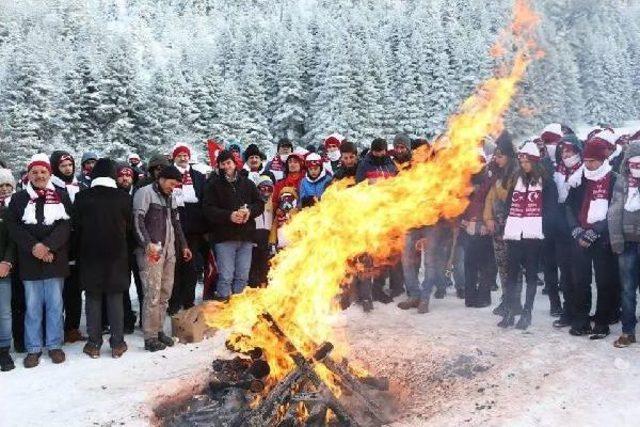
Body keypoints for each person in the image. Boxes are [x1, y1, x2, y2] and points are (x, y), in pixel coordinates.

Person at [5, 154, 72, 368]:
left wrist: (48, 247)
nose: (39, 175)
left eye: (43, 172)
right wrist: (35, 247)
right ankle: (33, 348)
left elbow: (66, 226)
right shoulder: (18, 199)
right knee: (32, 307)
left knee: (55, 305)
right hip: (30, 260)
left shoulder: (61, 195)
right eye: (35, 172)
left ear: (49, 173)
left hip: (55, 258)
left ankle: (54, 345)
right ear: (28, 175)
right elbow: (14, 228)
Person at [498, 141, 559, 330]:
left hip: (533, 236)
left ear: (534, 162)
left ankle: (527, 312)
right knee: (511, 274)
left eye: (526, 162)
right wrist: (507, 221)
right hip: (516, 234)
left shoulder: (546, 182)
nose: (523, 165)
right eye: (521, 162)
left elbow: (551, 209)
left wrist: (542, 229)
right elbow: (509, 204)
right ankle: (509, 310)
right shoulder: (516, 180)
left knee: (531, 275)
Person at [74, 159, 131, 359]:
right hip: (117, 255)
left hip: (89, 255)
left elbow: (76, 228)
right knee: (115, 299)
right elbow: (130, 228)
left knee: (93, 298)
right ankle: (117, 343)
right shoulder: (123, 198)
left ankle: (94, 343)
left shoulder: (82, 197)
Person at [133, 166, 192, 352]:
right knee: (152, 293)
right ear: (162, 178)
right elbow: (137, 221)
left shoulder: (171, 197)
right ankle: (150, 336)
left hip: (169, 250)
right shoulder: (145, 193)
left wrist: (183, 245)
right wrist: (147, 244)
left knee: (165, 292)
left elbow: (176, 222)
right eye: (172, 183)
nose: (173, 187)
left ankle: (158, 330)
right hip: (152, 250)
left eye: (176, 185)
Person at [565, 138, 619, 339]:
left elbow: (615, 210)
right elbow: (569, 206)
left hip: (603, 239)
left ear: (603, 160)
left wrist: (596, 231)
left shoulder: (613, 179)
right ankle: (581, 319)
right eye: (587, 161)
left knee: (605, 281)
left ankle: (602, 321)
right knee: (580, 280)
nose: (589, 165)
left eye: (593, 161)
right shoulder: (579, 179)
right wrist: (576, 230)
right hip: (580, 237)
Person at [202, 150, 264, 301]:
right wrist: (229, 216)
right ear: (219, 166)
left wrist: (249, 211)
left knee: (242, 275)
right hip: (224, 237)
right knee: (226, 276)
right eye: (222, 164)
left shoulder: (247, 183)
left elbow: (259, 204)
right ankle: (224, 306)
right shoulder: (213, 185)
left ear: (235, 164)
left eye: (228, 163)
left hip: (246, 236)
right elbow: (208, 209)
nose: (226, 166)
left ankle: (238, 308)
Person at [49, 150, 85, 343]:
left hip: (77, 246)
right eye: (63, 166)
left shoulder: (78, 186)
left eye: (70, 165)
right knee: (57, 292)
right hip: (59, 246)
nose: (68, 169)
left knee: (74, 289)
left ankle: (72, 327)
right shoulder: (51, 188)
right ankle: (55, 328)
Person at [550, 135, 583, 325]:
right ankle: (567, 311)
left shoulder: (585, 173)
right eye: (563, 151)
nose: (566, 154)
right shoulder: (558, 173)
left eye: (570, 150)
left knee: (578, 274)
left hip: (578, 228)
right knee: (565, 274)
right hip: (560, 229)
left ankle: (580, 313)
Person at [609, 141, 640, 347]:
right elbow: (614, 212)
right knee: (628, 290)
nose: (636, 168)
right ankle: (628, 331)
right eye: (633, 164)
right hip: (628, 244)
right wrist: (617, 240)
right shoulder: (622, 182)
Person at [169, 143, 207, 315]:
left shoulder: (198, 176)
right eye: (180, 156)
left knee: (190, 267)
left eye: (185, 155)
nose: (183, 158)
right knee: (174, 267)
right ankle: (174, 302)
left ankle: (188, 300)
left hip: (193, 229)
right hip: (173, 227)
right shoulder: (170, 175)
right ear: (174, 158)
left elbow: (204, 199)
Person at [483, 132, 518, 316]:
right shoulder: (497, 172)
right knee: (502, 266)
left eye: (500, 156)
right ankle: (507, 298)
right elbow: (490, 197)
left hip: (511, 226)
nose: (496, 159)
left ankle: (514, 301)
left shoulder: (516, 174)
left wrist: (499, 188)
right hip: (497, 226)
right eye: (495, 156)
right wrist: (488, 218)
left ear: (509, 157)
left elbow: (507, 197)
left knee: (512, 267)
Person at [460, 151, 494, 308]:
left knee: (486, 265)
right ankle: (470, 297)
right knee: (469, 264)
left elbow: (491, 204)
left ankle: (484, 297)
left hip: (483, 227)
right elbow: (458, 203)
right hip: (468, 227)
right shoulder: (463, 181)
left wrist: (485, 223)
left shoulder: (490, 180)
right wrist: (462, 221)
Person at [0, 168, 16, 371]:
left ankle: (4, 349)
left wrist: (7, 262)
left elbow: (13, 241)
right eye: (0, 186)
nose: (4, 189)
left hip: (4, 268)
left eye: (7, 186)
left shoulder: (10, 211)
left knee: (4, 312)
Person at [249, 175, 275, 287]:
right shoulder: (252, 202)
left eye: (269, 189)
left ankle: (264, 288)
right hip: (254, 240)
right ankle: (252, 288)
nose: (266, 192)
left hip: (267, 239)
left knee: (265, 267)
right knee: (253, 267)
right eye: (263, 188)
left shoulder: (273, 203)